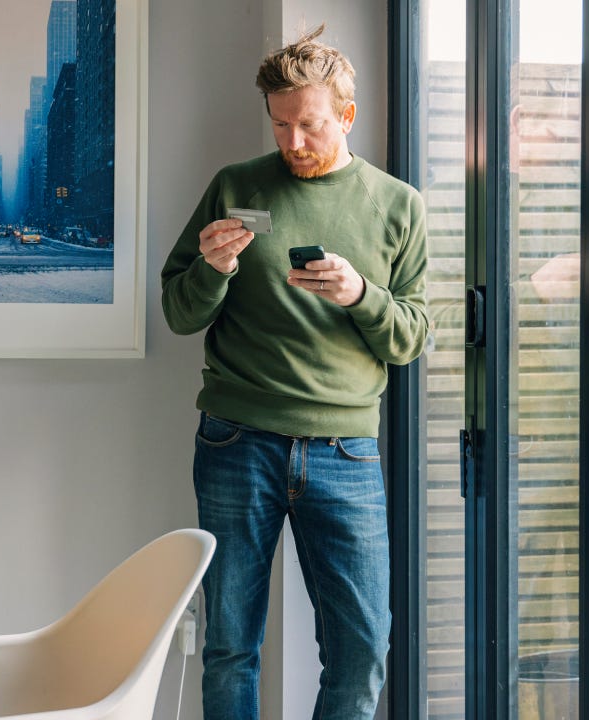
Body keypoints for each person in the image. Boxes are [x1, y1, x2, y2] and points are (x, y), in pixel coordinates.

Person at [160, 24, 429, 720]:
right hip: (235, 441)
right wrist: (213, 268)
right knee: (230, 645)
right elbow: (180, 313)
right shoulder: (236, 186)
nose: (293, 144)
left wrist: (360, 295)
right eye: (280, 126)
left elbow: (412, 337)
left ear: (346, 115)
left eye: (309, 125)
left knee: (362, 646)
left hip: (345, 449)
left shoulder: (399, 206)